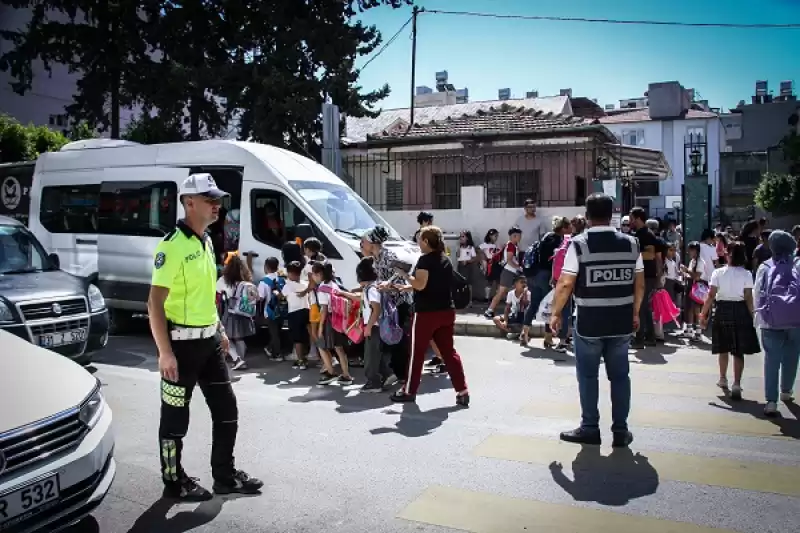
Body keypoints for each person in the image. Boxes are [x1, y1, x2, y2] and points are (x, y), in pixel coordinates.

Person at [149, 173, 262, 501]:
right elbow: (154, 302)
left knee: (227, 411)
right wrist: (164, 353)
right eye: (210, 200)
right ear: (189, 203)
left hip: (209, 343)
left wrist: (221, 330)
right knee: (174, 421)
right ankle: (173, 482)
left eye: (218, 200)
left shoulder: (207, 241)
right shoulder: (171, 246)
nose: (217, 205)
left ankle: (225, 476)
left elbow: (205, 294)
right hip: (180, 348)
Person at [549, 193, 643, 447]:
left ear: (588, 217)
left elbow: (566, 283)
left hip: (590, 323)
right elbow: (640, 283)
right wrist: (635, 312)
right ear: (611, 214)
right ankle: (621, 431)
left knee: (588, 377)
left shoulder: (578, 245)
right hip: (622, 322)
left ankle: (590, 427)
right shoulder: (632, 244)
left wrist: (555, 313)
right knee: (620, 377)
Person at [391, 226, 470, 406]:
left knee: (416, 353)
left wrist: (405, 276)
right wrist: (408, 287)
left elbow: (420, 284)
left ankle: (409, 391)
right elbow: (433, 284)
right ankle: (462, 391)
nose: (418, 243)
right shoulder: (445, 260)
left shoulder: (425, 260)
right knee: (449, 353)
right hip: (446, 311)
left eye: (420, 239)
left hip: (426, 313)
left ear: (426, 242)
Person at [700, 241, 760, 400]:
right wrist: (753, 315)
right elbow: (748, 297)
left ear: (728, 254)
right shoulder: (747, 274)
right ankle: (737, 384)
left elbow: (711, 295)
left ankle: (722, 378)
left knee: (723, 347)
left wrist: (703, 314)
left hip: (722, 309)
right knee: (738, 350)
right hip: (740, 310)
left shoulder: (718, 273)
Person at [754, 230, 800, 416]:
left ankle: (771, 402)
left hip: (771, 322)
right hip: (796, 320)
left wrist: (759, 318)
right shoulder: (798, 265)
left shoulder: (765, 267)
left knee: (771, 360)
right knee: (792, 356)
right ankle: (786, 391)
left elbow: (758, 294)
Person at [312, 261, 354, 385]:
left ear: (319, 274)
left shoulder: (321, 288)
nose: (313, 277)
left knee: (321, 345)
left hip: (329, 321)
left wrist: (320, 328)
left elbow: (324, 310)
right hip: (339, 319)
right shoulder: (334, 284)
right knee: (339, 348)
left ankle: (331, 372)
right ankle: (346, 375)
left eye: (313, 274)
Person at [216, 253, 257, 371]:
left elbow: (217, 290)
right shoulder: (246, 278)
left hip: (231, 312)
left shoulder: (224, 280)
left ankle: (238, 359)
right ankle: (240, 360)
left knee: (224, 337)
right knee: (240, 338)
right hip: (244, 312)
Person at [629, 207, 661, 348]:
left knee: (640, 306)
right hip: (645, 274)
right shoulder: (641, 234)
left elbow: (652, 255)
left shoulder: (646, 235)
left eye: (631, 218)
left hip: (645, 275)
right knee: (645, 307)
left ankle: (640, 338)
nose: (629, 221)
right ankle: (649, 337)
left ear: (637, 218)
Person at [484, 226, 522, 319]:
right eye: (519, 236)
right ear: (514, 236)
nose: (520, 238)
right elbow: (509, 260)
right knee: (501, 292)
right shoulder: (511, 246)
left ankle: (516, 310)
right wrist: (519, 268)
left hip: (512, 272)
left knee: (514, 291)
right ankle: (490, 310)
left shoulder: (513, 245)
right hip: (508, 272)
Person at [283, 261, 311, 370]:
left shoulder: (288, 285)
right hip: (306, 310)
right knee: (306, 336)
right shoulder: (305, 283)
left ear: (291, 273)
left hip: (294, 312)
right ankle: (306, 357)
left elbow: (283, 296)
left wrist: (277, 293)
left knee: (297, 338)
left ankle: (301, 360)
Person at [257, 257, 286, 361]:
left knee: (274, 334)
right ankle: (270, 348)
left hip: (270, 311)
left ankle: (277, 355)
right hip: (282, 310)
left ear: (266, 267)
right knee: (277, 331)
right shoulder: (282, 279)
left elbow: (260, 297)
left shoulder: (264, 281)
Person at [456, 230, 481, 305]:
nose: (461, 238)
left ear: (467, 238)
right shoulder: (459, 247)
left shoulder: (470, 248)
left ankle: (469, 300)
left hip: (468, 266)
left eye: (463, 236)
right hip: (460, 266)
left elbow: (474, 258)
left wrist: (467, 261)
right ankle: (461, 299)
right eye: (460, 236)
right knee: (460, 283)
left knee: (468, 283)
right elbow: (457, 256)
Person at [479, 229, 501, 301]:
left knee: (498, 281)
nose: (496, 237)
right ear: (490, 236)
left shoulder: (497, 246)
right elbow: (480, 253)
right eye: (495, 236)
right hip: (489, 264)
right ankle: (487, 297)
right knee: (489, 281)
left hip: (497, 264)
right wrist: (483, 264)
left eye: (497, 236)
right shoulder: (483, 245)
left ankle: (497, 297)